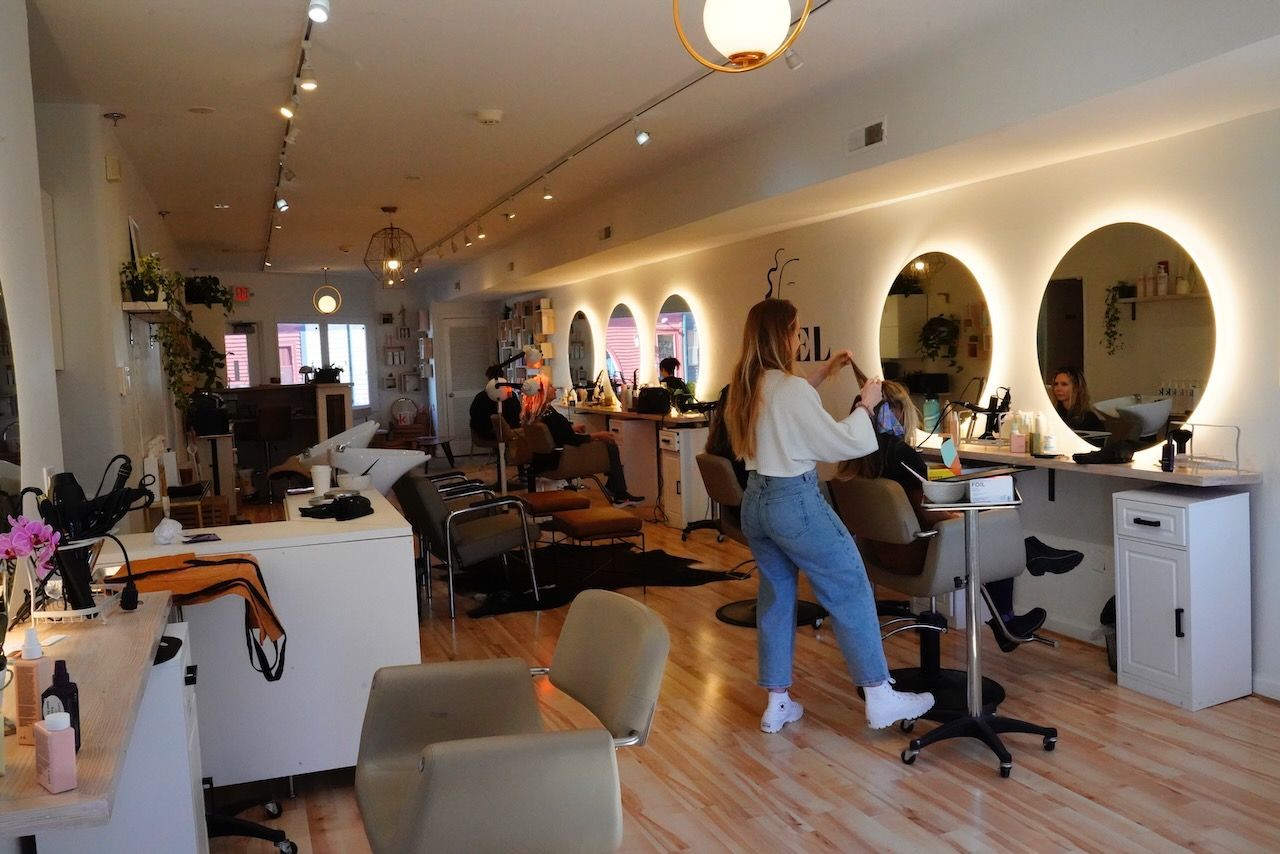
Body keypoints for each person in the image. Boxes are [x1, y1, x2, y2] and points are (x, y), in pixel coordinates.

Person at [725, 298, 935, 733]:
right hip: (793, 503)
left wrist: (825, 372)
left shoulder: (748, 384)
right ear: (783, 335)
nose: (801, 337)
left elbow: (788, 407)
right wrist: (865, 404)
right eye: (797, 330)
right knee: (851, 587)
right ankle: (879, 696)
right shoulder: (789, 388)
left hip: (756, 503)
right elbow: (841, 444)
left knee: (777, 597)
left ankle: (777, 702)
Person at [837, 381, 1084, 652]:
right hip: (919, 556)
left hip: (882, 555)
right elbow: (931, 514)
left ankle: (1022, 579)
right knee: (997, 529)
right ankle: (1021, 580)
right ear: (894, 412)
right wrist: (963, 517)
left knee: (990, 534)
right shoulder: (900, 454)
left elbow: (919, 497)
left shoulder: (855, 455)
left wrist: (949, 473)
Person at [520, 370, 644, 507]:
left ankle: (614, 487)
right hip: (560, 460)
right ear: (541, 391)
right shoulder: (551, 415)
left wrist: (571, 429)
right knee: (609, 444)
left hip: (542, 461)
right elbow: (572, 440)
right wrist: (597, 435)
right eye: (550, 386)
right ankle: (619, 493)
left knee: (606, 443)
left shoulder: (535, 413)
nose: (555, 389)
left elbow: (553, 433)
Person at [469, 365, 521, 442]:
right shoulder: (510, 395)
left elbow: (474, 416)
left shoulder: (481, 396)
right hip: (492, 433)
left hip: (489, 432)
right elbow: (517, 414)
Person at [1050, 366, 1104, 432]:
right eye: (1056, 384)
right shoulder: (1054, 414)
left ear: (1076, 387)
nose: (1058, 388)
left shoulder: (1089, 419)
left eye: (1064, 384)